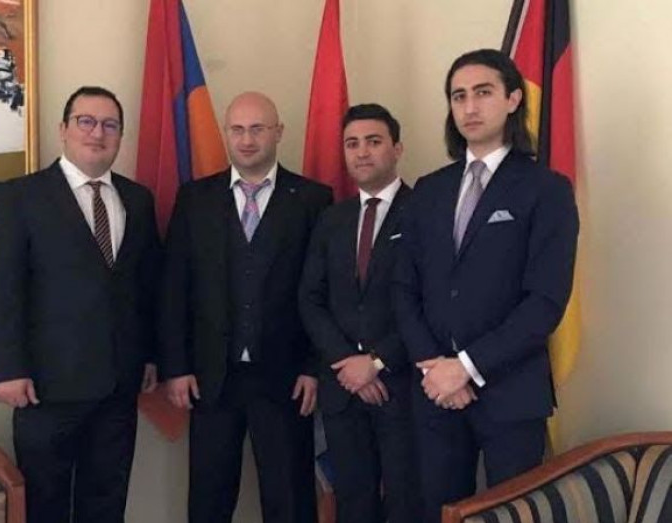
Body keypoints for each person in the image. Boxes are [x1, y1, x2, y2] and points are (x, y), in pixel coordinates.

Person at [394, 49, 579, 522]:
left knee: (513, 515)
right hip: (434, 393)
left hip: (511, 394)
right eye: (458, 96)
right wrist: (436, 367)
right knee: (437, 513)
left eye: (483, 92)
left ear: (513, 99)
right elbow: (403, 287)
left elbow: (544, 302)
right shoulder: (429, 189)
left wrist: (467, 367)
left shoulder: (546, 189)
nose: (469, 107)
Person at [0, 86, 161, 523]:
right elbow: (1, 289)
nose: (98, 133)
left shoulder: (138, 200)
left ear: (120, 136)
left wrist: (153, 356)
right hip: (45, 388)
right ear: (63, 129)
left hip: (118, 386)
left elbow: (147, 287)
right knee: (45, 506)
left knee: (107, 504)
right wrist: (7, 369)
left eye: (110, 125)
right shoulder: (21, 197)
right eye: (86, 121)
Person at [158, 91, 332, 523]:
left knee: (290, 500)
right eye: (237, 129)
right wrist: (176, 367)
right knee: (209, 500)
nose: (247, 139)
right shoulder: (194, 199)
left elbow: (325, 292)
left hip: (287, 378)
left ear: (278, 132)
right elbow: (174, 288)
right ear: (226, 133)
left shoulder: (313, 199)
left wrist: (314, 367)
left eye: (257, 129)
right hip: (211, 378)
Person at [299, 103, 423, 523]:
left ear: (397, 148)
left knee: (406, 504)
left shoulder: (424, 211)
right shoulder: (332, 218)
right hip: (342, 390)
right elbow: (310, 298)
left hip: (401, 387)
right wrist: (348, 363)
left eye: (373, 141)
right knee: (353, 504)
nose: (362, 152)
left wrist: (376, 362)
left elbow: (431, 303)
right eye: (352, 144)